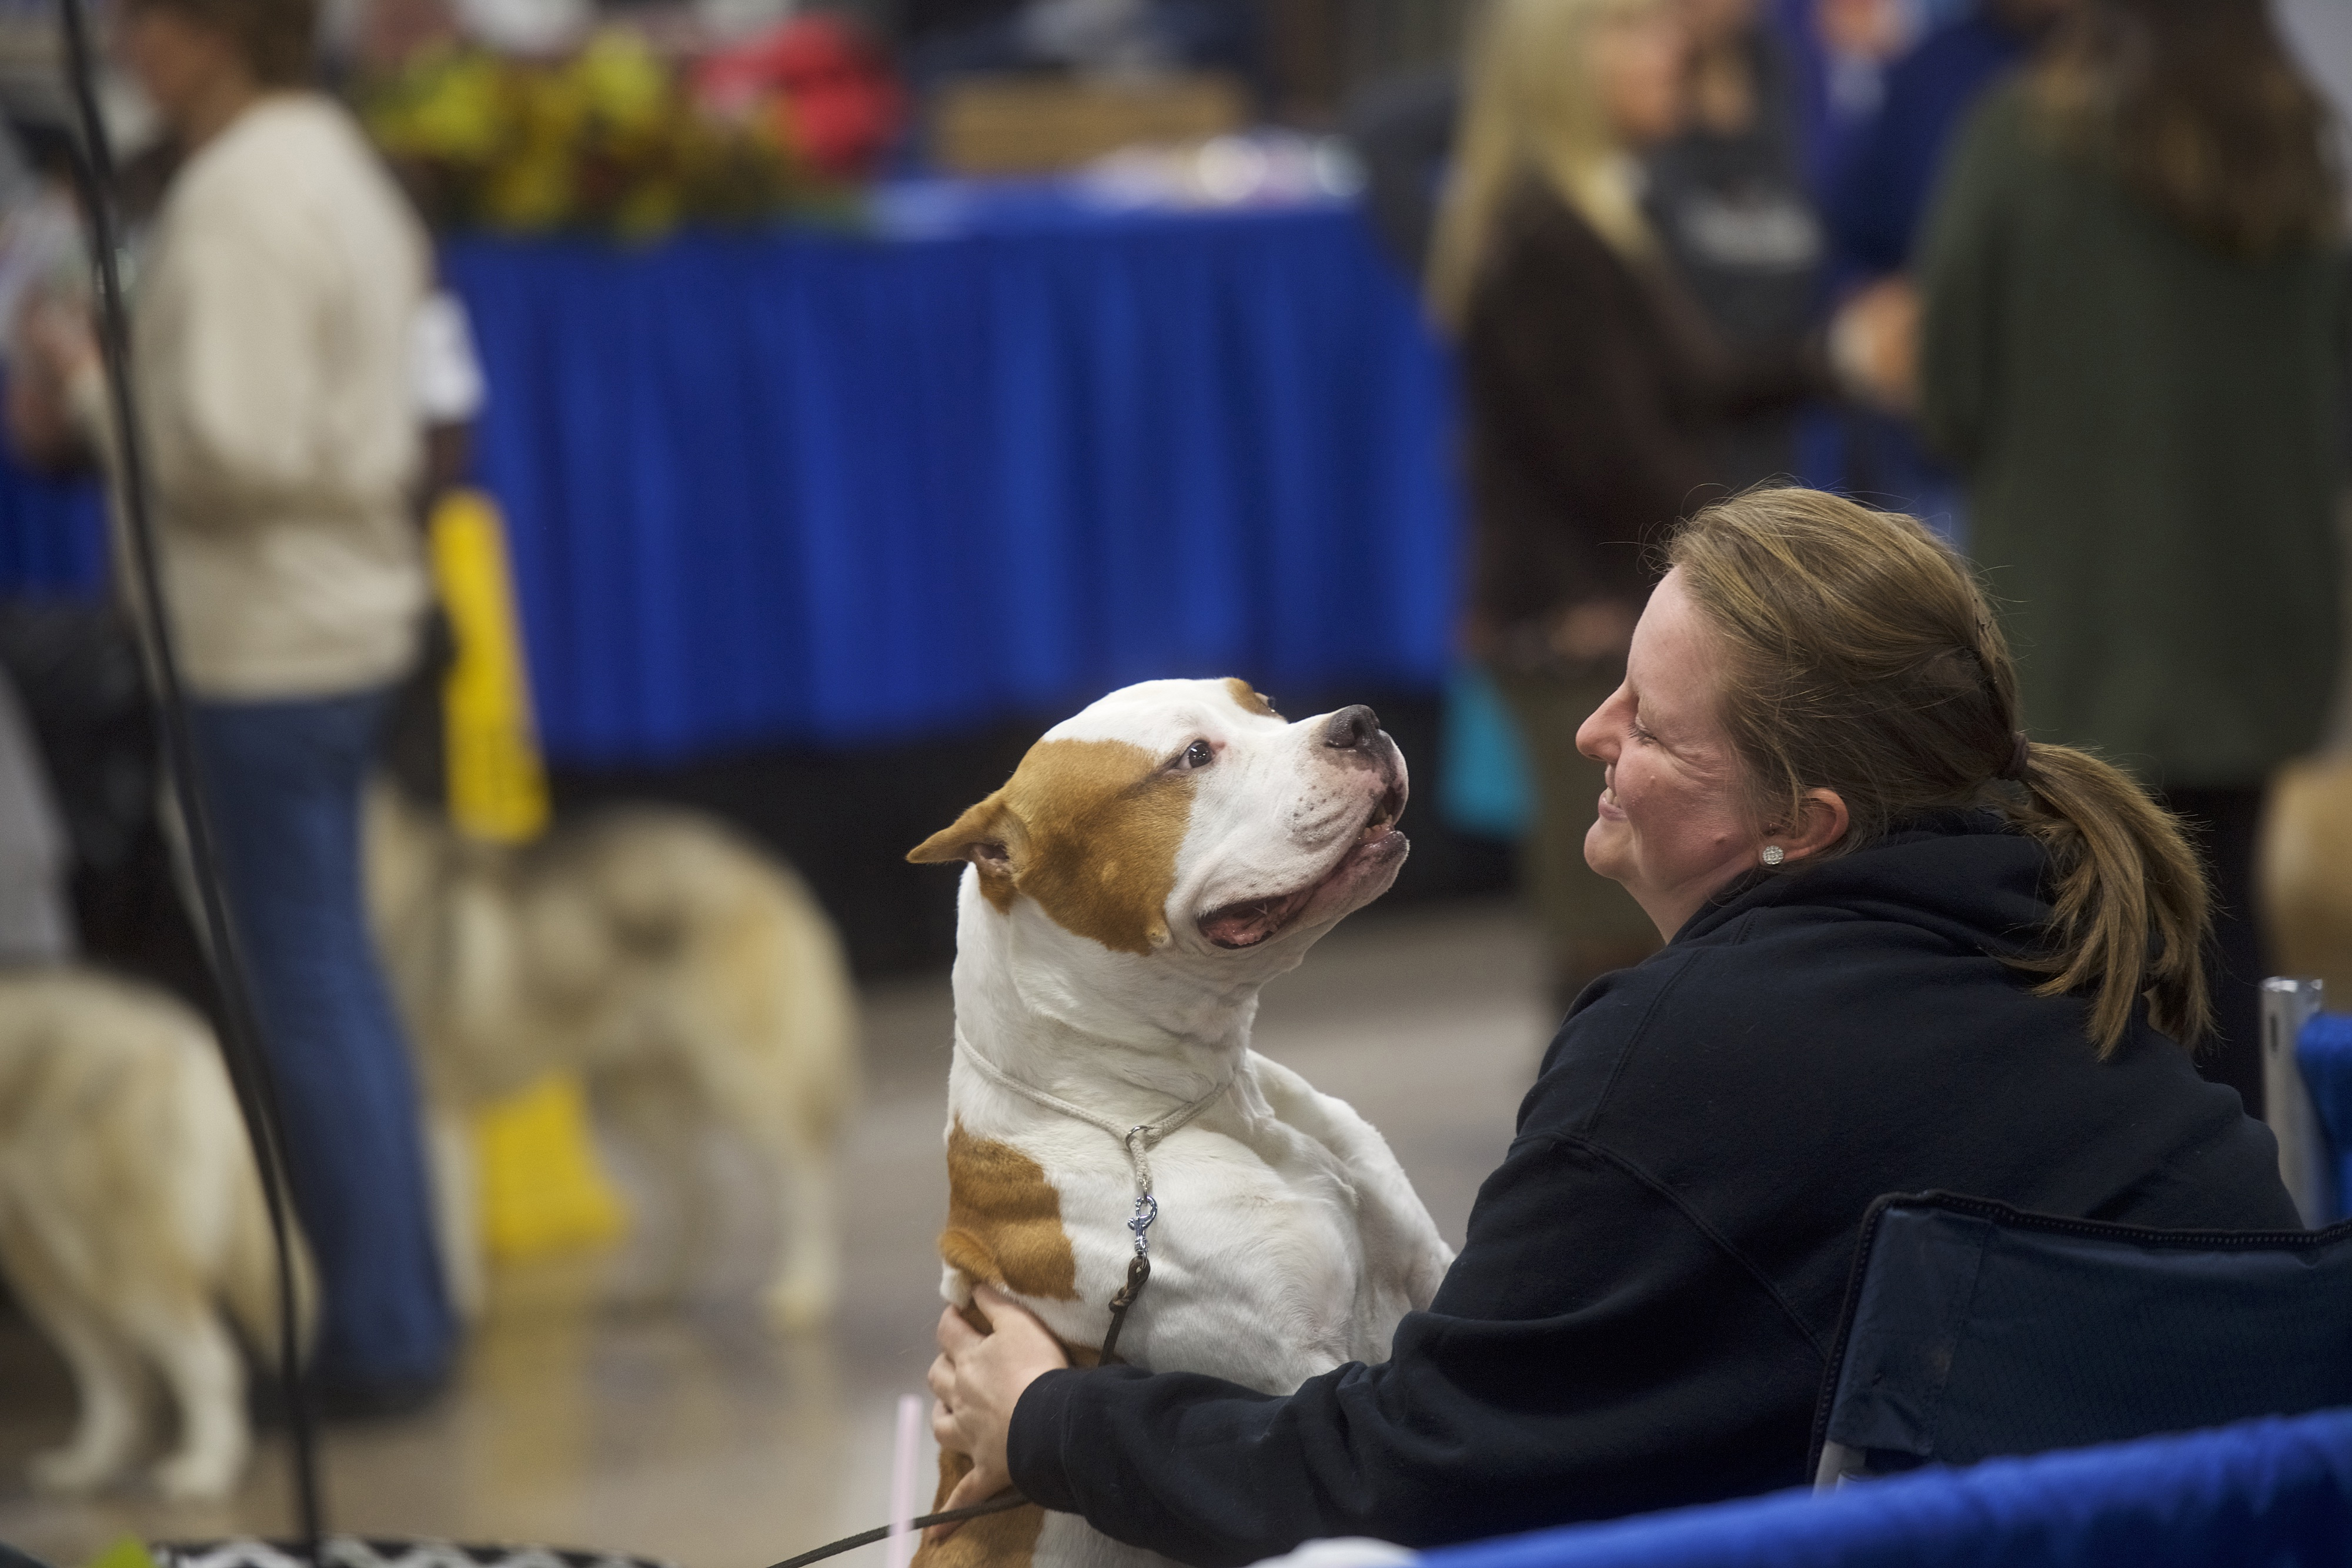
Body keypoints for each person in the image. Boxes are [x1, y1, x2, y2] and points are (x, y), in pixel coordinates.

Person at [925, 487, 2298, 1562]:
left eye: (1646, 720)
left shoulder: (1692, 1053)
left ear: (1796, 826)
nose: (1586, 731)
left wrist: (1051, 1420)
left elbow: (1404, 1482)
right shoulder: (2069, 950)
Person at [25, 0, 456, 1405]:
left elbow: (227, 445)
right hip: (327, 623)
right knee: (330, 976)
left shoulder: (241, 194)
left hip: (267, 646)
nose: (128, 52)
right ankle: (397, 1306)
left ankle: (383, 1333)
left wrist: (93, 388)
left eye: (146, 21)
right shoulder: (327, 153)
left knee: (303, 984)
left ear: (212, 31)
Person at [1909, 0, 2348, 1119]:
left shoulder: (2022, 138)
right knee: (2234, 933)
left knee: (2085, 950)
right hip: (2262, 625)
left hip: (2074, 624)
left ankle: (2126, 1240)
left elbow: (1949, 385)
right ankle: (2257, 1215)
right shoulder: (2298, 147)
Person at [1428, 0, 1830, 1005]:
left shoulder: (1596, 214)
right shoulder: (1549, 238)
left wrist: (1836, 361)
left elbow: (1695, 390)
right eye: (1637, 31)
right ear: (1568, 66)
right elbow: (1622, 468)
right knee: (1616, 946)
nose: (1675, 51)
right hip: (1585, 633)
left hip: (1603, 620)